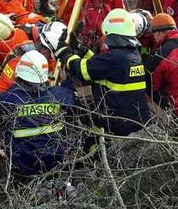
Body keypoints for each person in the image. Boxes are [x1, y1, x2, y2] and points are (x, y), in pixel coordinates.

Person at [59, 8, 149, 136]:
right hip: (135, 120)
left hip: (117, 125)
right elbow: (100, 66)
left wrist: (64, 54)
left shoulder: (115, 58)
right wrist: (81, 49)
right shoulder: (132, 55)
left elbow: (82, 71)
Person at [0, 50, 76, 177]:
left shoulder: (8, 99)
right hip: (55, 161)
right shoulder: (61, 95)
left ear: (19, 74)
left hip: (21, 163)